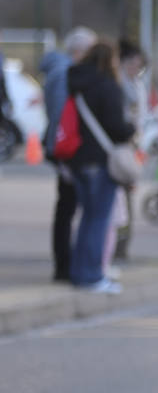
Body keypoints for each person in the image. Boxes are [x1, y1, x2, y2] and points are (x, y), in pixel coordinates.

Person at [66, 40, 135, 293]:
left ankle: (78, 271)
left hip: (78, 159)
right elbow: (117, 127)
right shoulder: (108, 86)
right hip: (101, 159)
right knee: (99, 221)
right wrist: (132, 129)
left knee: (86, 218)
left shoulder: (77, 84)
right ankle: (92, 275)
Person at [40, 26, 97, 283]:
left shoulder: (59, 71)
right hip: (66, 151)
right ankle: (64, 265)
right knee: (67, 207)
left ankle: (65, 263)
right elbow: (63, 117)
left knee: (66, 207)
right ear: (78, 50)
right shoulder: (65, 74)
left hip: (61, 148)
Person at [111, 38, 148, 264]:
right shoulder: (117, 85)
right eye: (133, 64)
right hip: (119, 148)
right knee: (119, 199)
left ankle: (123, 245)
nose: (136, 69)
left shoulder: (137, 85)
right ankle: (116, 246)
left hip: (131, 147)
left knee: (126, 197)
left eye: (139, 65)